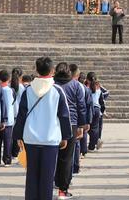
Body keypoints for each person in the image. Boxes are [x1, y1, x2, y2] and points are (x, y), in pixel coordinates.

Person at [13, 57, 72, 200]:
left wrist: (18, 135)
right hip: (50, 139)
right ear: (52, 71)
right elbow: (64, 116)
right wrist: (65, 136)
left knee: (32, 175)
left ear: (36, 70)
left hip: (31, 138)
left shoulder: (28, 90)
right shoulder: (57, 90)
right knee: (47, 177)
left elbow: (21, 115)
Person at [53, 62, 86, 199]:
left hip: (53, 124)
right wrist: (82, 125)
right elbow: (81, 106)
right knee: (67, 158)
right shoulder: (76, 85)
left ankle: (54, 181)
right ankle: (63, 189)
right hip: (71, 123)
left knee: (53, 156)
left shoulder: (51, 85)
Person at [69, 64, 91, 176]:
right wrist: (84, 123)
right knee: (75, 144)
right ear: (77, 75)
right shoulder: (80, 87)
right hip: (75, 121)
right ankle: (75, 166)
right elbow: (83, 106)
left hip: (63, 121)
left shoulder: (59, 85)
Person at [86, 72, 109, 151]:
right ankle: (94, 144)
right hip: (97, 109)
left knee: (87, 127)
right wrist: (102, 111)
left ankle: (93, 144)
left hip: (89, 109)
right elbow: (102, 101)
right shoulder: (98, 89)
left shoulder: (86, 88)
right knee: (95, 128)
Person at [0, 70, 15, 166]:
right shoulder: (11, 90)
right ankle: (7, 159)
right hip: (9, 119)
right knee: (8, 141)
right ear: (8, 79)